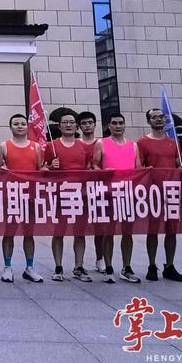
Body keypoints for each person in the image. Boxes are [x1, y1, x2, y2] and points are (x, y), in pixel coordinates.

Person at [0, 114, 44, 283]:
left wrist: (48, 169)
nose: (20, 126)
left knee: (29, 233)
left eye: (23, 123)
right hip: (12, 196)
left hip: (31, 196)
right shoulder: (4, 146)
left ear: (27, 126)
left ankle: (30, 268)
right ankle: (7, 267)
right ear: (11, 127)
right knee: (9, 232)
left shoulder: (36, 146)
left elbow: (40, 170)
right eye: (16, 124)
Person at [44, 110, 93, 282]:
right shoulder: (52, 146)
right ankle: (58, 267)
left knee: (79, 233)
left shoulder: (83, 146)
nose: (68, 125)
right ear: (59, 126)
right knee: (59, 231)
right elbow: (42, 169)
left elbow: (90, 168)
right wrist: (51, 166)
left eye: (72, 122)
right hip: (60, 195)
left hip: (80, 195)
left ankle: (79, 266)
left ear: (76, 126)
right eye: (65, 122)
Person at [138, 108, 182, 282]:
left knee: (171, 230)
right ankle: (152, 265)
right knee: (153, 230)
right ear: (148, 121)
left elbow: (178, 163)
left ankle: (169, 265)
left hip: (172, 191)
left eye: (161, 117)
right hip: (153, 192)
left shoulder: (173, 142)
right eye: (154, 117)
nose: (158, 119)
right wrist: (146, 171)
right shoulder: (142, 142)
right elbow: (139, 166)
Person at [93, 112, 141, 284]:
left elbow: (138, 168)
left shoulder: (133, 145)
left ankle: (126, 267)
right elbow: (95, 165)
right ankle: (108, 268)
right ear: (109, 126)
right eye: (114, 123)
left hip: (128, 194)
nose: (118, 126)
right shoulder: (102, 143)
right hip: (109, 194)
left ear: (124, 125)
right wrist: (103, 172)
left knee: (127, 232)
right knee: (109, 232)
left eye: (121, 123)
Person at [77, 111, 104, 275]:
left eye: (90, 122)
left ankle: (100, 260)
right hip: (79, 192)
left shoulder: (103, 143)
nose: (87, 126)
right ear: (79, 126)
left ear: (95, 124)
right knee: (79, 229)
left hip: (99, 191)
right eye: (84, 123)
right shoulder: (75, 144)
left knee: (100, 228)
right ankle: (79, 264)